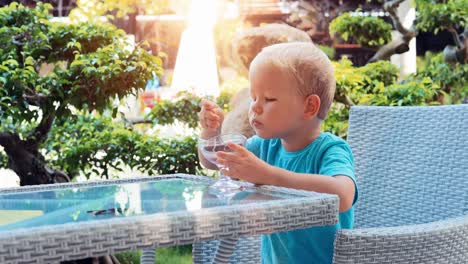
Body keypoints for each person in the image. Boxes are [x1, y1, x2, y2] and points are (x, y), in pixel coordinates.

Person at [198, 42, 358, 264]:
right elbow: (215, 163)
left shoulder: (329, 149)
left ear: (309, 107)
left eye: (269, 99)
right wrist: (210, 133)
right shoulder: (265, 146)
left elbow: (342, 196)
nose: (254, 107)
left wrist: (269, 175)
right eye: (254, 98)